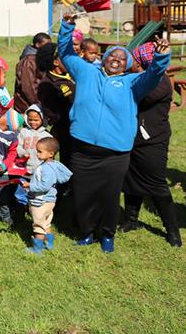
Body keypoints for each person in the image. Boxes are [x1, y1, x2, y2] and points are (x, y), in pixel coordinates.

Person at [59, 17, 170, 253]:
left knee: (109, 197)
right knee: (84, 194)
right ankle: (88, 232)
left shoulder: (133, 83)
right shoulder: (87, 71)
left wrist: (161, 56)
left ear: (127, 64)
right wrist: (67, 28)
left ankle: (107, 235)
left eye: (121, 59)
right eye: (112, 56)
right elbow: (66, 53)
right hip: (83, 148)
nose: (116, 61)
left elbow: (154, 74)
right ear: (104, 58)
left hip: (115, 153)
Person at [121, 43, 182, 247]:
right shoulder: (142, 78)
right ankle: (131, 220)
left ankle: (172, 231)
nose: (132, 63)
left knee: (156, 184)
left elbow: (136, 96)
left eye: (135, 61)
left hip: (152, 140)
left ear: (142, 63)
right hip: (133, 138)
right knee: (131, 180)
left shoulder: (160, 82)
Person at [22, 137, 72, 254]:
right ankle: (49, 243)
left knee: (38, 225)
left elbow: (44, 186)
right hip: (49, 201)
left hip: (41, 201)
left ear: (51, 154)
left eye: (40, 151)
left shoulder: (47, 169)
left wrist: (30, 185)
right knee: (46, 222)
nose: (37, 154)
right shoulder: (53, 165)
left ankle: (37, 249)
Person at [35, 43, 75, 166]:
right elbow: (52, 113)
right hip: (67, 131)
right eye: (65, 57)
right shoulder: (48, 84)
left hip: (80, 129)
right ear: (56, 62)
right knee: (69, 164)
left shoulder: (72, 75)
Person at [13, 32, 51, 113]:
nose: (49, 47)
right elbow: (28, 86)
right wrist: (38, 105)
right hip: (28, 107)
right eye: (46, 45)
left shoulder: (38, 58)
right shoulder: (29, 61)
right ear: (37, 45)